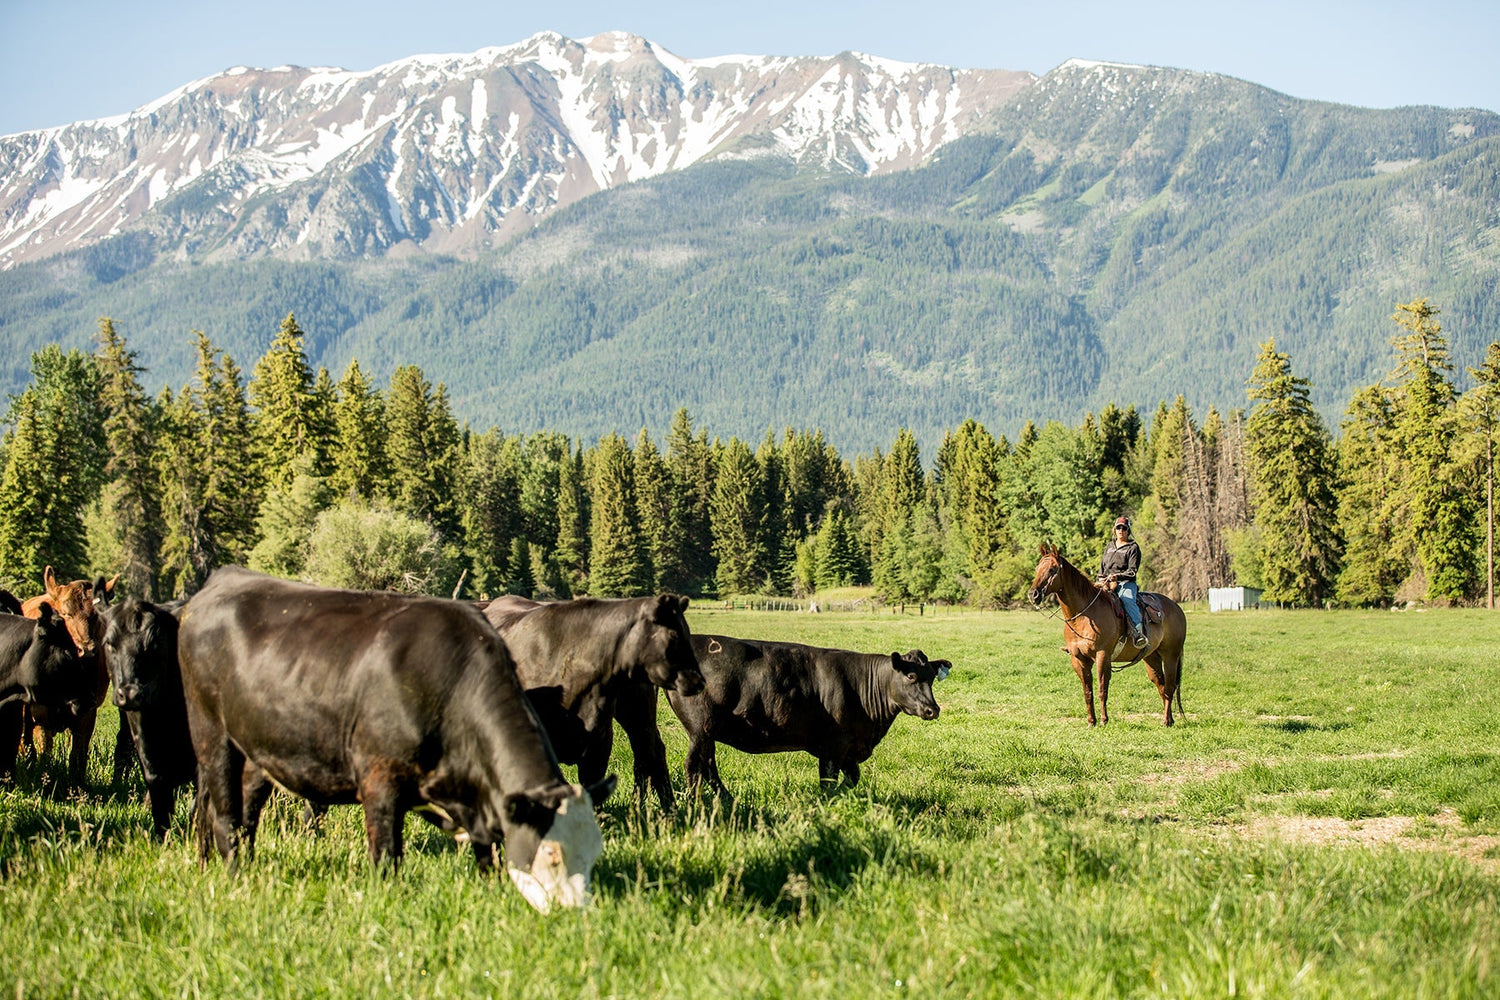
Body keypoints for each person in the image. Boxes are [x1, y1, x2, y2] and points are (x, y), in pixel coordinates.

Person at [1100, 515, 1147, 648]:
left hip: (1125, 582)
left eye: (1124, 528)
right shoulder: (1109, 546)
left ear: (1128, 530)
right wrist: (1101, 578)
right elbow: (1102, 566)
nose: (1121, 530)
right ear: (1114, 530)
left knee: (1126, 599)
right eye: (1118, 527)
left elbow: (1132, 571)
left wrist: (1117, 577)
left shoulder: (1133, 547)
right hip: (1106, 582)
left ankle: (1138, 633)